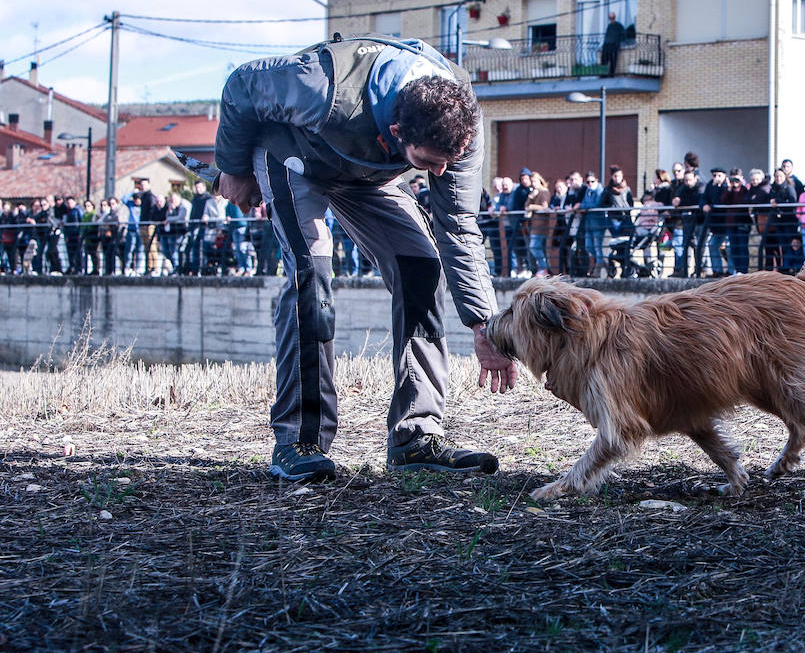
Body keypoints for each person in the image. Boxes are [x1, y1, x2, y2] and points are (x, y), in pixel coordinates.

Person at [214, 33, 516, 482]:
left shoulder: (459, 121)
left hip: (367, 174)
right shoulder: (320, 88)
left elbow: (457, 225)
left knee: (422, 268)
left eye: (446, 162)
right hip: (294, 154)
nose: (438, 174)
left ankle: (417, 436)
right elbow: (241, 85)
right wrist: (233, 167)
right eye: (427, 163)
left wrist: (484, 324)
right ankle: (300, 441)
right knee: (310, 279)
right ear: (396, 133)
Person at [523, 171, 553, 277]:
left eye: (535, 181)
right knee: (535, 247)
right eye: (532, 181)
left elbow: (545, 207)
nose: (533, 183)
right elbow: (526, 206)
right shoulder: (534, 192)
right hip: (533, 225)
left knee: (534, 246)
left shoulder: (544, 192)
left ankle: (543, 267)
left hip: (541, 225)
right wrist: (531, 197)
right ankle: (543, 268)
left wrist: (532, 207)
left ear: (540, 180)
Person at [600, 11, 625, 76]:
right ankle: (603, 74)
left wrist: (618, 42)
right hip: (607, 45)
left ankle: (611, 75)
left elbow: (624, 35)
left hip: (614, 46)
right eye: (610, 18)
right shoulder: (609, 26)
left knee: (613, 61)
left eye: (612, 18)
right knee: (604, 60)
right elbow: (607, 35)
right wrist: (604, 44)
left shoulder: (619, 26)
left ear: (615, 18)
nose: (611, 19)